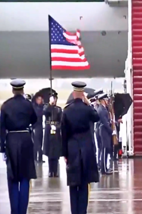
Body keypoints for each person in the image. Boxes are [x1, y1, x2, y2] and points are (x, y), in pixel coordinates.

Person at [61, 81, 100, 214]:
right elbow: (97, 117)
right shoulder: (87, 109)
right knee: (84, 184)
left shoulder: (66, 110)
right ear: (83, 94)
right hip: (86, 149)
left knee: (73, 184)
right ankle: (82, 211)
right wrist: (89, 104)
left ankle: (74, 211)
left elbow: (64, 134)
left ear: (73, 93)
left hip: (72, 149)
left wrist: (65, 154)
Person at [0, 79, 37, 214]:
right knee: (25, 177)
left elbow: (1, 128)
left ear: (12, 90)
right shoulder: (28, 104)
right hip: (26, 139)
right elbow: (34, 120)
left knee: (13, 178)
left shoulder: (5, 105)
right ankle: (22, 210)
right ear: (22, 90)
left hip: (11, 140)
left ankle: (14, 210)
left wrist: (2, 148)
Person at [43, 92, 62, 177]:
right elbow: (45, 112)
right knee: (50, 152)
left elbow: (61, 121)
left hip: (56, 131)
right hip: (49, 130)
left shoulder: (58, 109)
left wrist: (57, 127)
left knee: (56, 151)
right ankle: (51, 171)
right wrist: (50, 105)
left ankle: (56, 170)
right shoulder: (47, 108)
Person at [97, 93, 116, 175]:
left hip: (104, 130)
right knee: (104, 149)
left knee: (105, 149)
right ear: (103, 100)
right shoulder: (101, 110)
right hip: (104, 131)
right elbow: (105, 122)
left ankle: (105, 167)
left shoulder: (104, 109)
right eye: (106, 100)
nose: (107, 101)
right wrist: (112, 131)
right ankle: (104, 169)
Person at [32, 94, 44, 163]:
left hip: (40, 126)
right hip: (36, 126)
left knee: (40, 142)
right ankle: (35, 157)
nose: (40, 101)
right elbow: (38, 114)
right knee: (37, 143)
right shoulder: (34, 107)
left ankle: (40, 158)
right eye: (39, 99)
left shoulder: (42, 106)